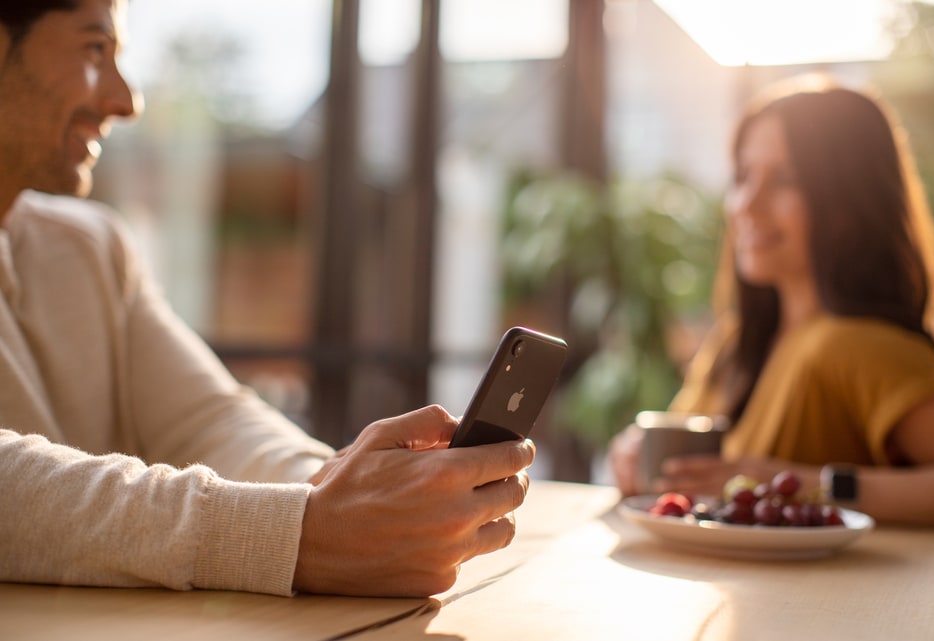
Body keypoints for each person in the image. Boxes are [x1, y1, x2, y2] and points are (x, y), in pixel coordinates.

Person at [0, 0, 534, 597]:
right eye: (95, 49)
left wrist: (338, 491)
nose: (127, 101)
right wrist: (296, 535)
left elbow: (210, 419)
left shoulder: (90, 247)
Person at [609, 73, 934, 527]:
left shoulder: (858, 346)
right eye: (743, 176)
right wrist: (634, 452)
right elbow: (682, 482)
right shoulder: (737, 344)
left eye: (784, 180)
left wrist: (805, 483)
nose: (745, 205)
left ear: (849, 202)